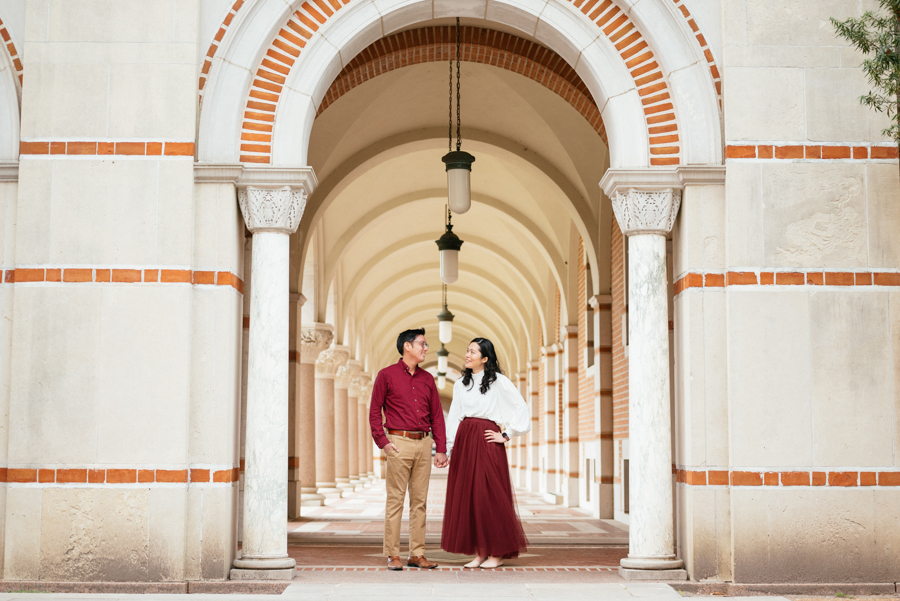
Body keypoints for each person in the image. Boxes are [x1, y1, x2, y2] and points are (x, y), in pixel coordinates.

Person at [441, 337, 530, 569]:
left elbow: (521, 406)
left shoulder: (498, 381)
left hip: (488, 438)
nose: (467, 354)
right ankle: (480, 553)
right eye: (467, 350)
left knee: (488, 496)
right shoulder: (460, 384)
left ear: (485, 358)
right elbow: (454, 417)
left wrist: (507, 434)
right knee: (470, 497)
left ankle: (496, 553)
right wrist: (448, 448)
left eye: (473, 351)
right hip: (465, 440)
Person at [369, 328, 448, 571]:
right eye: (422, 344)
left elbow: (436, 415)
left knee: (420, 502)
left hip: (424, 444)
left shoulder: (427, 379)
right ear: (407, 346)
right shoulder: (386, 375)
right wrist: (384, 442)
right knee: (395, 501)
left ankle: (417, 554)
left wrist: (441, 448)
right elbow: (374, 412)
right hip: (398, 443)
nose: (426, 348)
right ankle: (393, 555)